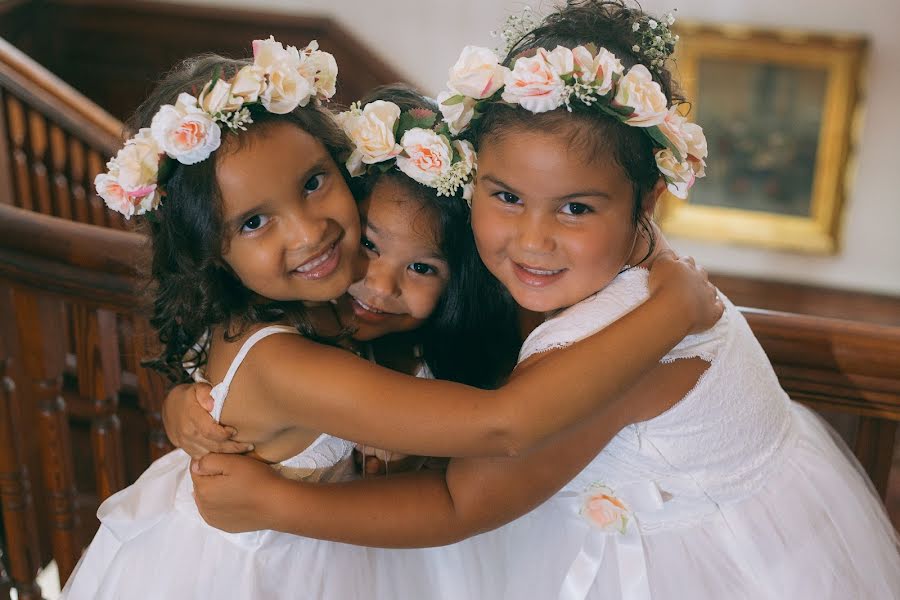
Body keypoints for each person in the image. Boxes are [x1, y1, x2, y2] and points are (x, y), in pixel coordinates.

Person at [187, 4, 900, 599]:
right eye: (505, 197)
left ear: (644, 202)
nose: (531, 241)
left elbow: (461, 500)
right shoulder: (561, 278)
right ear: (471, 185)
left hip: (718, 565)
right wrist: (189, 405)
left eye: (576, 209)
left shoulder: (623, 335)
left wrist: (279, 503)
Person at [62, 35, 721, 599]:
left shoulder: (315, 310)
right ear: (209, 250)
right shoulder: (284, 358)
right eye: (256, 221)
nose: (309, 231)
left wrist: (183, 400)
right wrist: (676, 306)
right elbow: (503, 426)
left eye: (315, 183)